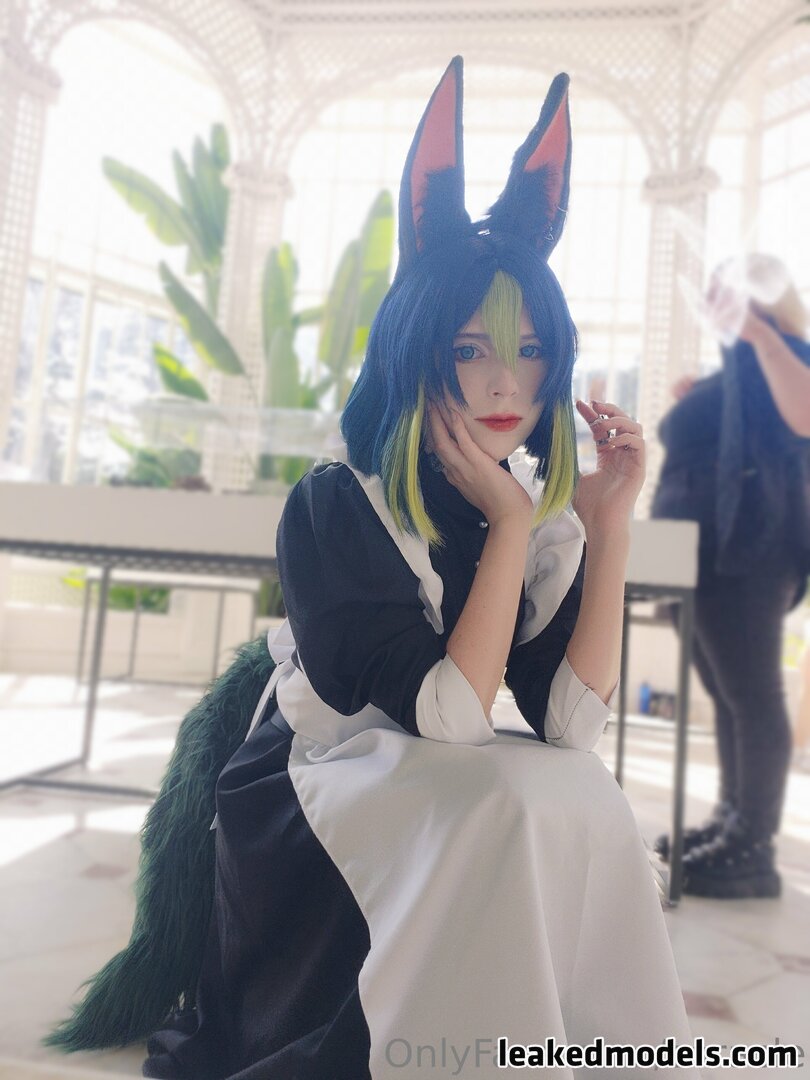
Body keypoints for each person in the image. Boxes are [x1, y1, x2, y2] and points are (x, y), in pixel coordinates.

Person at [48, 59, 701, 1079]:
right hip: (317, 773)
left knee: (583, 793)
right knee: (494, 803)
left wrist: (609, 529)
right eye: (470, 348)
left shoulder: (531, 517)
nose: (506, 381)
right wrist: (510, 521)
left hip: (426, 759)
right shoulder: (340, 502)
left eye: (532, 351)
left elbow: (572, 725)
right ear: (414, 349)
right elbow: (449, 716)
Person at [652, 253, 810, 900]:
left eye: (728, 289)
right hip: (701, 551)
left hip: (748, 549)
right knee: (726, 693)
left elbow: (805, 415)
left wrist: (761, 336)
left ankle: (753, 847)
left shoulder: (786, 348)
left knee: (751, 694)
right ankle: (732, 819)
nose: (715, 299)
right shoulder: (737, 367)